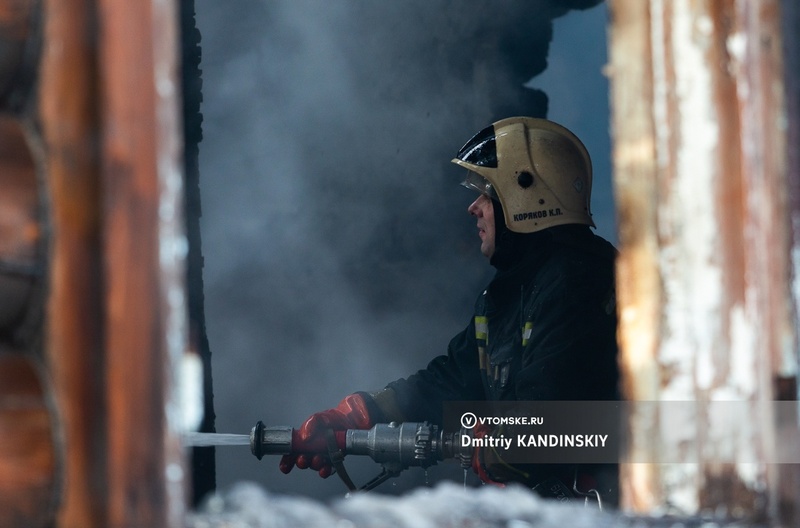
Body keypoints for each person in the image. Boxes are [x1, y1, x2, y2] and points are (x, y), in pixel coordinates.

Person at [279, 116, 619, 503]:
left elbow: (552, 423)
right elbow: (451, 380)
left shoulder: (579, 281)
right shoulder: (508, 295)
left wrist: (497, 448)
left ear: (527, 195)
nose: (473, 208)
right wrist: (358, 415)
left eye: (487, 193)